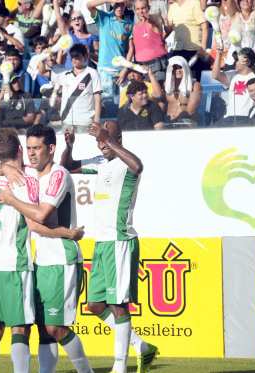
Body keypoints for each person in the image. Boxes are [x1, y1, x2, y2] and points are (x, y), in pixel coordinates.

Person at [0, 127, 84, 373]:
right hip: (15, 263)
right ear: (20, 150)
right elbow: (35, 222)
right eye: (28, 149)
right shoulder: (25, 182)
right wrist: (67, 233)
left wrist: (3, 168)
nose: (31, 154)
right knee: (21, 328)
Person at [60, 121, 159, 373]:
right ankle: (141, 346)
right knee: (94, 305)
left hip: (120, 241)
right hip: (102, 242)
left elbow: (139, 166)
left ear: (118, 137)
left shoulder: (127, 164)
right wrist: (68, 147)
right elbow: (67, 167)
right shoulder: (100, 162)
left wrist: (108, 138)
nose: (101, 144)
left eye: (106, 138)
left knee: (118, 305)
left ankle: (119, 366)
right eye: (99, 140)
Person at [87, 0, 133, 98]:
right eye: (117, 4)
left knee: (124, 104)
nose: (119, 7)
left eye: (122, 4)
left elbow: (131, 49)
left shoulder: (129, 23)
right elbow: (89, 5)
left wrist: (125, 69)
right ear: (112, 4)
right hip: (105, 70)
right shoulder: (104, 18)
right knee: (108, 103)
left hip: (121, 70)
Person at [53, 44, 102, 131]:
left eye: (77, 57)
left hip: (85, 121)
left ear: (85, 57)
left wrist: (96, 121)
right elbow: (56, 95)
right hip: (67, 120)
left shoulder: (92, 73)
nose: (74, 60)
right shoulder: (64, 75)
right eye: (72, 57)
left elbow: (97, 98)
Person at [212, 47, 255, 125]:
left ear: (248, 62)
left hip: (246, 119)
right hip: (229, 118)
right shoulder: (233, 75)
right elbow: (215, 75)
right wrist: (219, 54)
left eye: (237, 60)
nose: (235, 63)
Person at [163, 56, 201, 127]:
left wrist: (178, 120)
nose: (178, 70)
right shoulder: (166, 85)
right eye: (174, 68)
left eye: (180, 67)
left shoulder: (195, 86)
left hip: (186, 122)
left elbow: (191, 110)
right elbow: (160, 103)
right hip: (168, 121)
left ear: (185, 68)